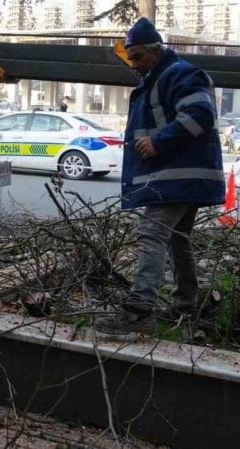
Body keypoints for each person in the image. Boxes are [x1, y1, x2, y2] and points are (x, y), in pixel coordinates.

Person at [94, 18, 224, 336]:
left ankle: (140, 312)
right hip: (182, 176)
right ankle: (185, 308)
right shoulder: (162, 76)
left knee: (151, 234)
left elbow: (200, 115)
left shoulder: (178, 73)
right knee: (179, 241)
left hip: (176, 178)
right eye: (130, 58)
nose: (134, 64)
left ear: (156, 50)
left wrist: (158, 141)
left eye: (138, 56)